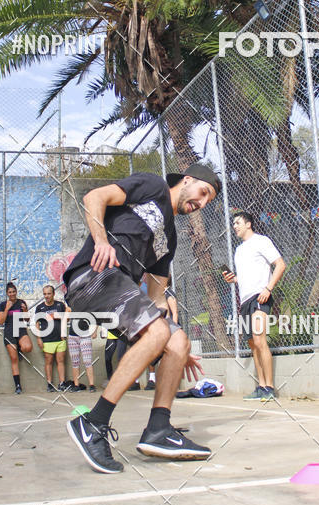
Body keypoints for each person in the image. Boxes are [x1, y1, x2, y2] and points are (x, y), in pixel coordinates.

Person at [64, 162, 220, 474]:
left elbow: (157, 297)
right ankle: (93, 423)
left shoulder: (170, 239)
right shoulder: (153, 186)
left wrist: (173, 347)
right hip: (94, 275)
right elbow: (94, 197)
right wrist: (102, 241)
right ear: (187, 180)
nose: (201, 203)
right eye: (202, 193)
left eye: (208, 201)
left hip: (119, 290)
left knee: (177, 339)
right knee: (158, 333)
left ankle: (158, 430)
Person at [223, 211, 286, 401]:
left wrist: (268, 289)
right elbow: (245, 277)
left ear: (248, 224)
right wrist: (234, 279)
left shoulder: (261, 241)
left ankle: (270, 388)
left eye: (238, 222)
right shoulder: (239, 250)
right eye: (233, 223)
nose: (234, 226)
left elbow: (280, 264)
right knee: (252, 343)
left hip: (261, 296)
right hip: (245, 300)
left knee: (259, 340)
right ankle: (261, 386)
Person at [0, 282, 32, 394]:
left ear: (16, 292)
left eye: (13, 292)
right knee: (14, 359)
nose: (12, 294)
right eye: (10, 292)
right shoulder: (3, 304)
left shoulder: (21, 302)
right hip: (9, 331)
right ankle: (18, 385)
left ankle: (19, 349)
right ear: (7, 293)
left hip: (20, 329)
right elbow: (1, 321)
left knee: (28, 347)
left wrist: (25, 311)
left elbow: (27, 319)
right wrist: (7, 309)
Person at [33, 285, 68, 392]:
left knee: (60, 361)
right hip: (47, 339)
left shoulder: (60, 305)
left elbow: (66, 319)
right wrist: (39, 338)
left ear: (53, 294)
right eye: (45, 294)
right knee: (48, 362)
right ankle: (49, 384)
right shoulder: (40, 308)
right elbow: (37, 323)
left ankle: (62, 383)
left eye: (49, 293)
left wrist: (63, 331)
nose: (47, 296)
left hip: (60, 339)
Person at [66, 315, 96, 393]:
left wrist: (94, 331)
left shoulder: (87, 307)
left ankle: (92, 385)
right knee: (75, 362)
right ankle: (76, 385)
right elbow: (66, 317)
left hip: (85, 335)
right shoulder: (70, 307)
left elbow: (95, 317)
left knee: (87, 361)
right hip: (73, 336)